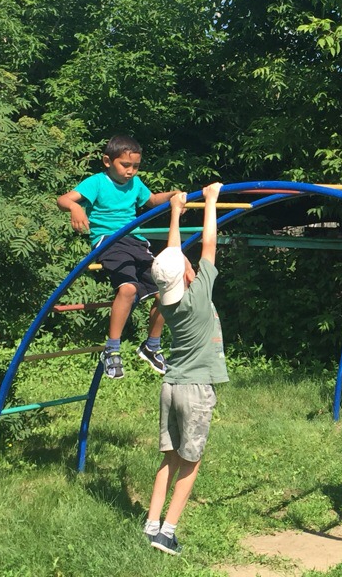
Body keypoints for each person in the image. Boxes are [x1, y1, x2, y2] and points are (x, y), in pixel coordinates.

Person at [144, 183, 230, 556]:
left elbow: (171, 258)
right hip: (195, 391)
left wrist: (176, 213)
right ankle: (167, 532)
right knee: (190, 462)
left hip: (171, 386)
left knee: (171, 458)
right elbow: (209, 245)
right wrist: (210, 201)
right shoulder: (198, 296)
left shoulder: (167, 303)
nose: (193, 264)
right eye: (190, 266)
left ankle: (151, 523)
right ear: (188, 277)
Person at [57, 135, 178, 379]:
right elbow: (63, 199)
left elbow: (153, 200)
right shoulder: (97, 182)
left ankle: (152, 345)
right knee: (128, 289)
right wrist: (76, 207)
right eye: (125, 165)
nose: (130, 171)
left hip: (135, 241)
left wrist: (173, 195)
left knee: (166, 290)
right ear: (107, 161)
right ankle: (112, 350)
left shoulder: (135, 184)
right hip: (109, 241)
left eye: (136, 166)